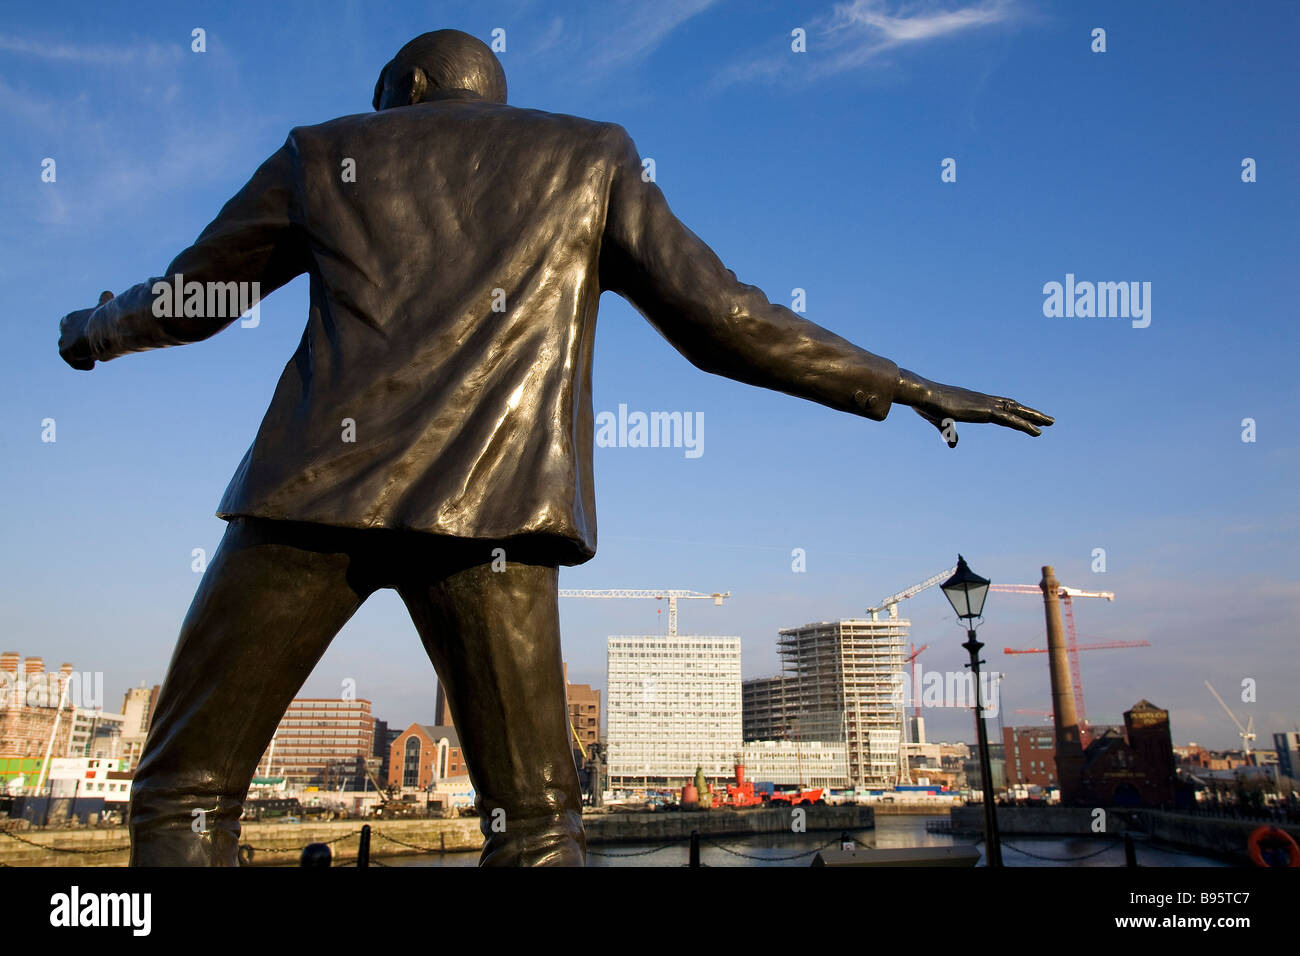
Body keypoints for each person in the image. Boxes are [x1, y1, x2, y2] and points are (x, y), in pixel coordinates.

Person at [57, 29, 1052, 866]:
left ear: (403, 90)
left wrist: (96, 328)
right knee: (536, 821)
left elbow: (195, 298)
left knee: (186, 788)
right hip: (497, 515)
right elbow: (725, 320)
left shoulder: (324, 151)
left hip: (305, 498)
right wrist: (901, 380)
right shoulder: (590, 157)